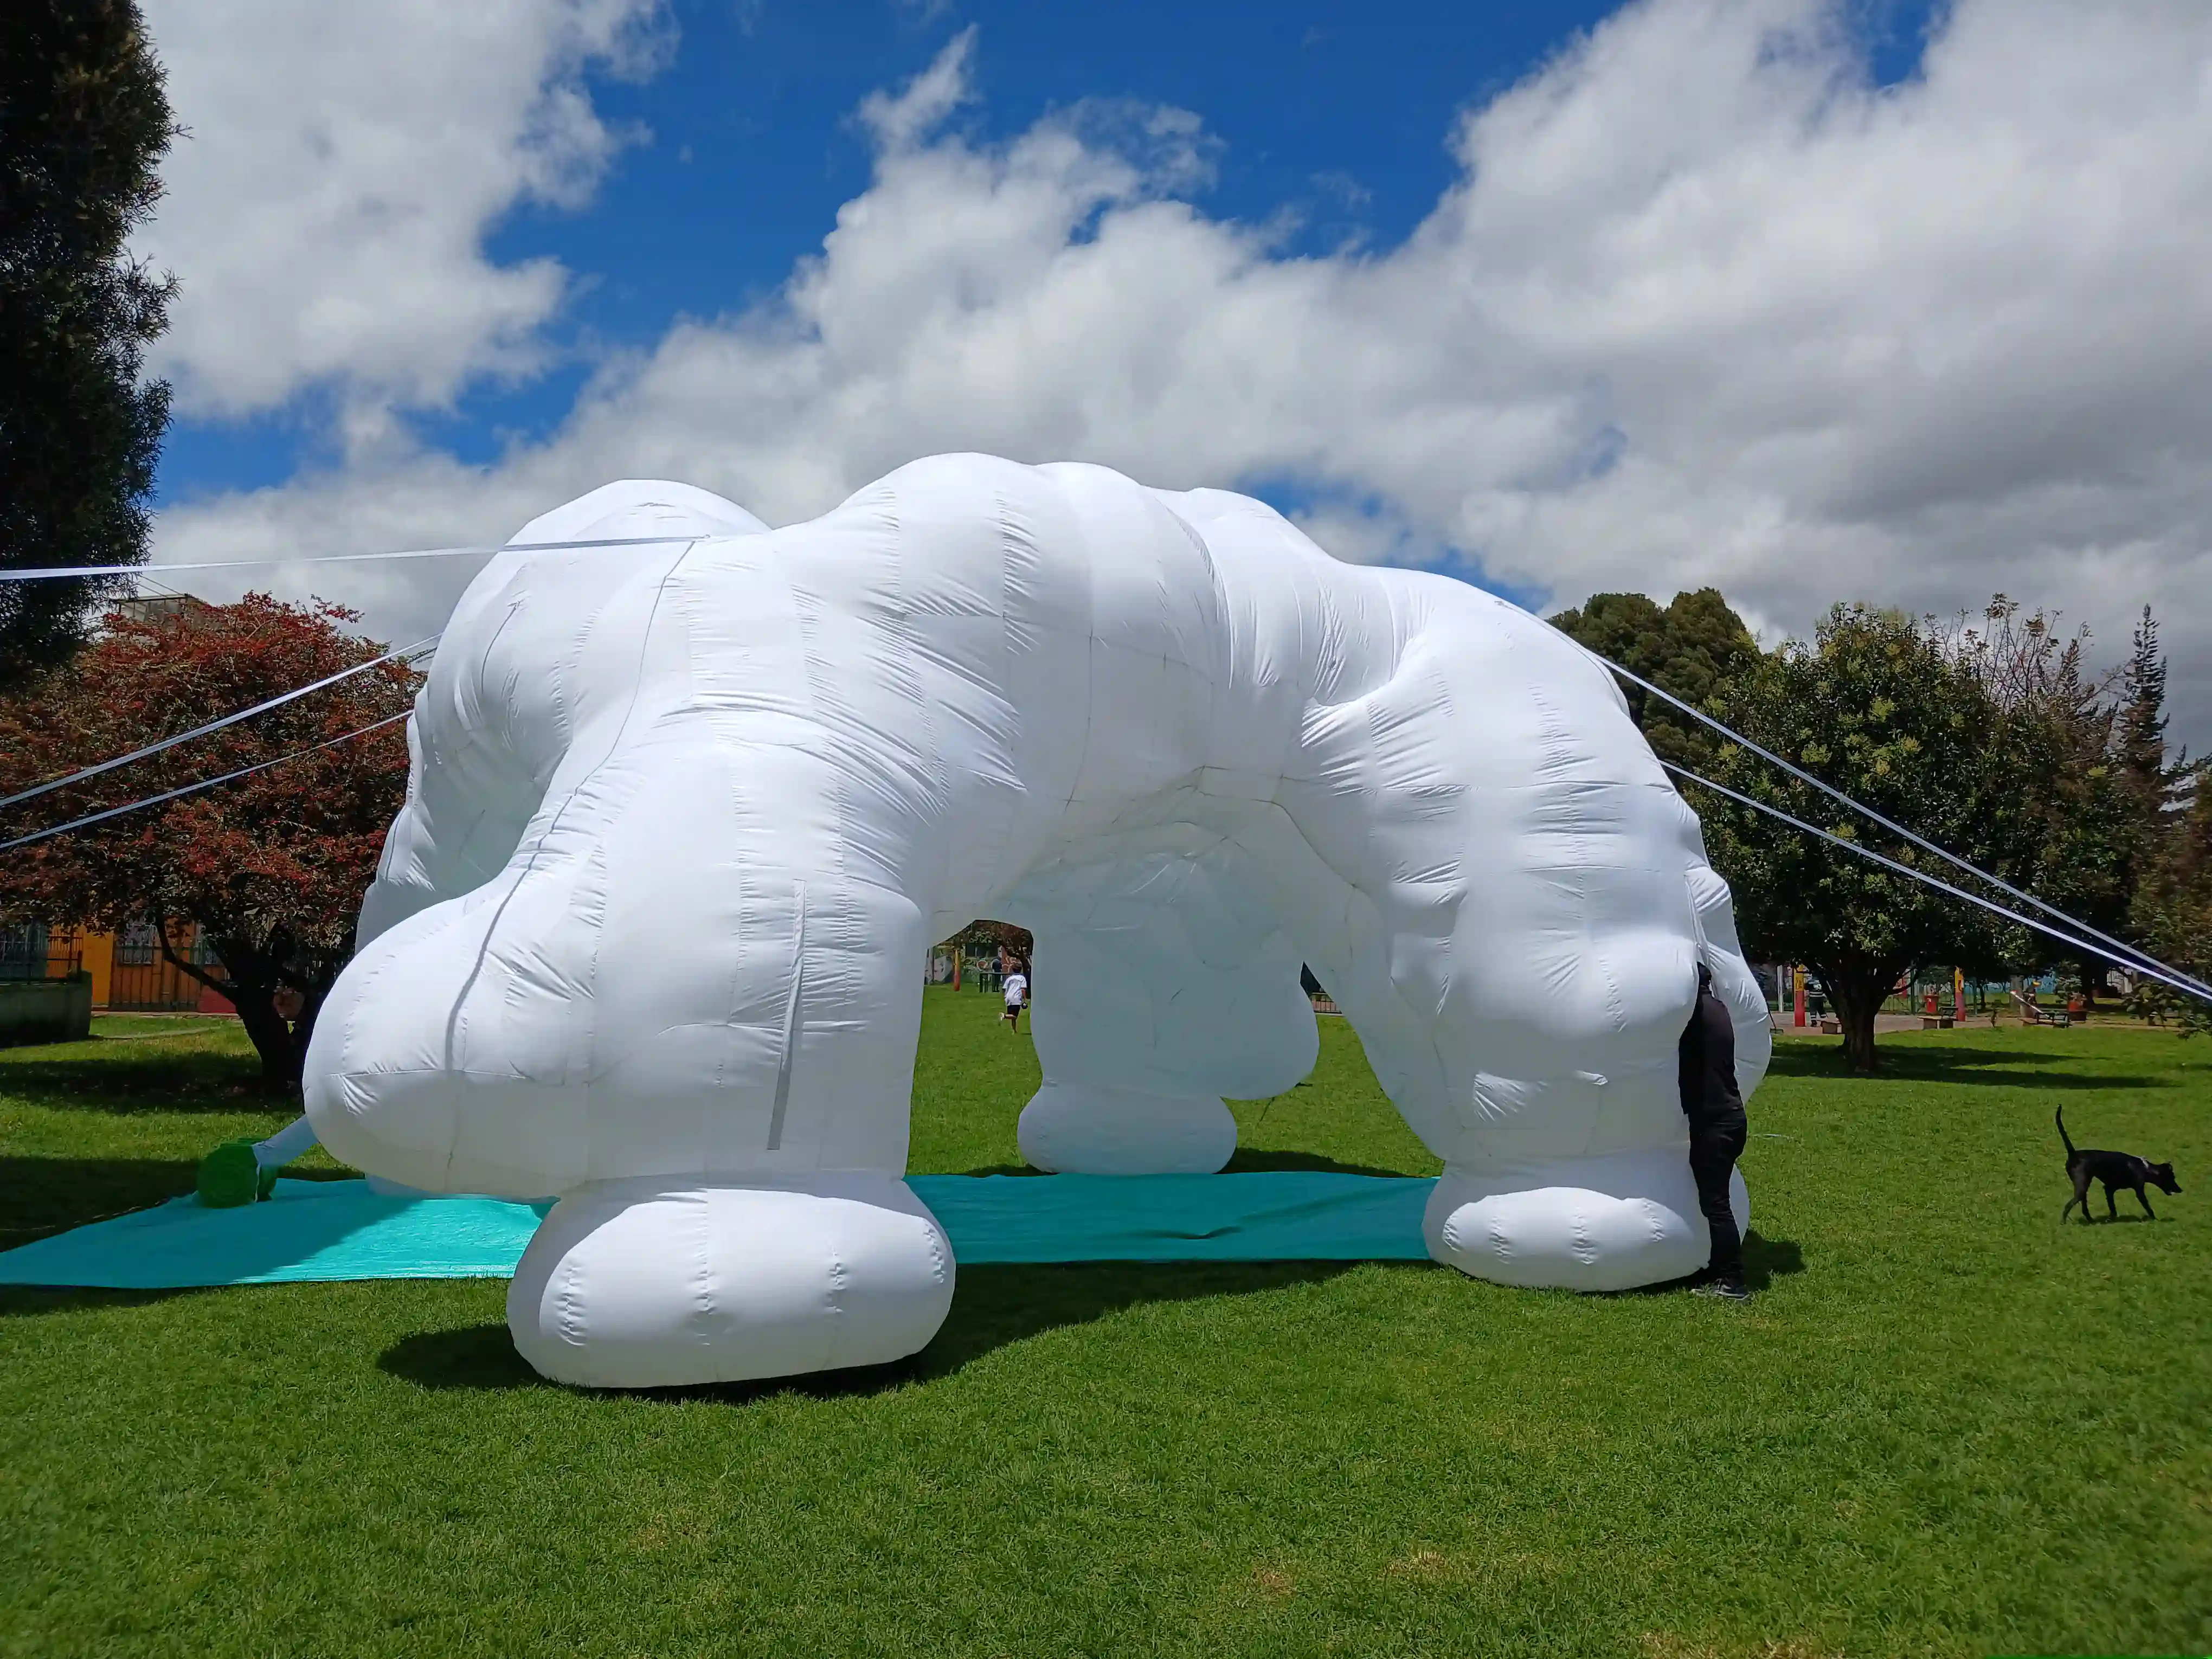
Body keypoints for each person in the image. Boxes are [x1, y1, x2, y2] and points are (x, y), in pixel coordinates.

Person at [1679, 961, 1750, 1301]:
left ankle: (1732, 1281)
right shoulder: (1718, 1009)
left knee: (1717, 1205)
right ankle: (1718, 1268)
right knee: (1714, 1202)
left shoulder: (1694, 1018)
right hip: (1729, 1118)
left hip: (1715, 1123)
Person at [1000, 961, 1028, 1030]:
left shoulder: (1009, 978)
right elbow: (1023, 990)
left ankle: (1014, 1031)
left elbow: (1004, 989)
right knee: (1015, 1016)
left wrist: (1005, 997)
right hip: (1016, 998)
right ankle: (1004, 1016)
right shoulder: (1022, 978)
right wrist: (1025, 1000)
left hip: (1009, 997)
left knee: (1012, 1016)